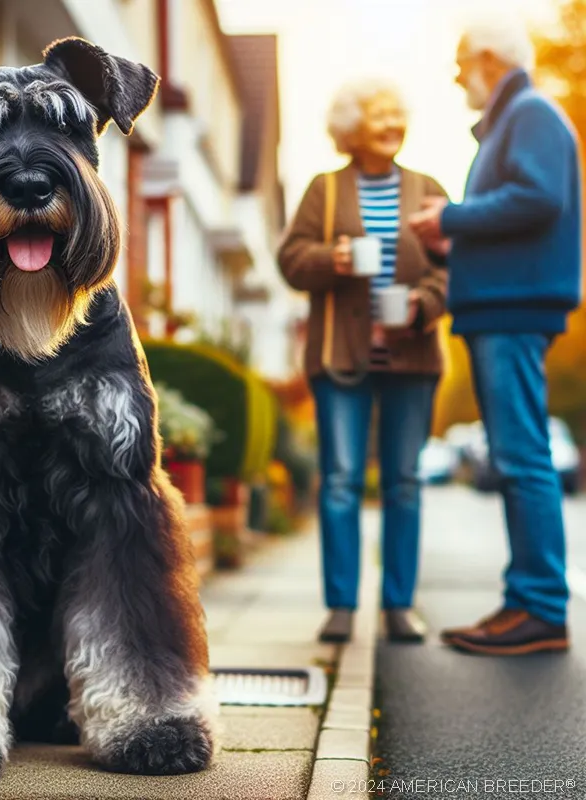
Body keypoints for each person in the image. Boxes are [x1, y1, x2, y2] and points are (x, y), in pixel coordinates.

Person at [410, 19, 581, 655]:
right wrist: (458, 243)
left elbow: (538, 198)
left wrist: (449, 218)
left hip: (513, 311)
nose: (458, 77)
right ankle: (525, 602)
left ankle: (539, 607)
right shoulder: (520, 119)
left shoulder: (530, 113)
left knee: (522, 456)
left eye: (461, 64)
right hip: (502, 307)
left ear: (488, 60)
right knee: (515, 456)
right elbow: (521, 214)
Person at [278, 79, 448, 644]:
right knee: (342, 480)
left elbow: (449, 267)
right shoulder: (324, 192)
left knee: (403, 482)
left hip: (412, 357)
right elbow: (291, 260)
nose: (392, 124)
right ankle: (342, 606)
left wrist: (423, 303)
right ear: (353, 127)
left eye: (398, 115)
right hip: (340, 358)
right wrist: (336, 257)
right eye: (380, 115)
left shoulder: (428, 190)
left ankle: (399, 605)